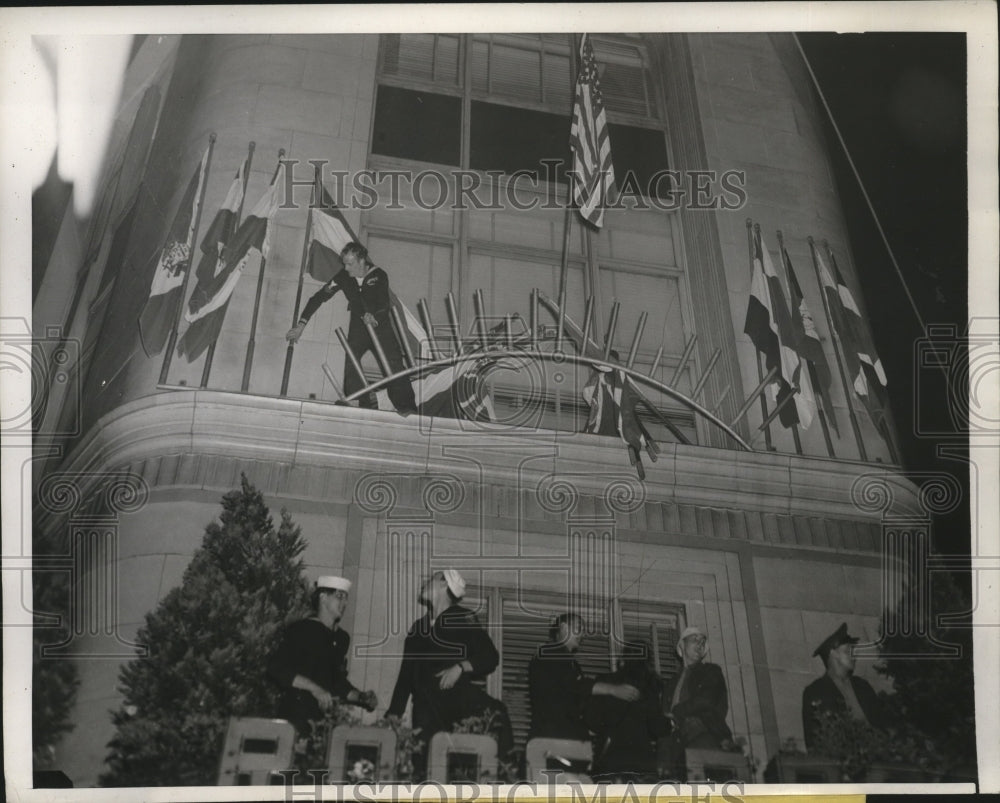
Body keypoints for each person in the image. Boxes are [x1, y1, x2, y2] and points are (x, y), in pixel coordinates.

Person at [385, 569, 512, 780]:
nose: (425, 583)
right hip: (426, 713)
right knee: (425, 772)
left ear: (444, 584)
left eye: (431, 579)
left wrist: (460, 667)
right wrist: (393, 715)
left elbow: (489, 656)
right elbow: (406, 677)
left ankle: (508, 780)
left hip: (457, 704)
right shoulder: (418, 629)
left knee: (497, 712)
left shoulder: (464, 617)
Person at [286, 242, 417, 414]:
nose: (346, 268)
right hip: (359, 328)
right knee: (350, 363)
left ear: (362, 261)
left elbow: (384, 303)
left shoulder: (379, 275)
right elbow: (318, 298)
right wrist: (301, 325)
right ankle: (360, 403)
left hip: (381, 328)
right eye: (344, 263)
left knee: (394, 366)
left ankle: (407, 408)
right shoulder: (343, 277)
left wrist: (374, 317)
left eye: (350, 264)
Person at [267, 576, 378, 738]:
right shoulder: (301, 629)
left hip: (323, 723)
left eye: (346, 598)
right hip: (295, 720)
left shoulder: (341, 638)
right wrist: (315, 688)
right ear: (323, 598)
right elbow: (276, 668)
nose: (344, 603)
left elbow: (337, 683)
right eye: (339, 597)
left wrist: (361, 697)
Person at [528, 613, 641, 742]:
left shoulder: (569, 663)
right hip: (552, 738)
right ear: (564, 628)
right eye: (579, 628)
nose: (583, 635)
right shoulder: (550, 653)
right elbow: (575, 686)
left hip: (559, 737)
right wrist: (613, 690)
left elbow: (573, 696)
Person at [585, 642, 671, 783]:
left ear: (623, 660)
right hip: (642, 763)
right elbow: (658, 728)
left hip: (610, 762)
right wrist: (670, 722)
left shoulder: (605, 681)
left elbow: (591, 721)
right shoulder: (650, 686)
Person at [658, 625, 734, 780]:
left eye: (702, 642)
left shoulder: (710, 671)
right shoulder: (670, 684)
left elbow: (705, 701)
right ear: (681, 646)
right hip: (675, 744)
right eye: (694, 640)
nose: (700, 644)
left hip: (704, 734)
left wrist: (677, 712)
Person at [802, 622, 887, 751]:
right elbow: (814, 743)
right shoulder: (815, 692)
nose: (855, 655)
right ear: (833, 653)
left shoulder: (863, 687)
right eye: (848, 651)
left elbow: (882, 729)